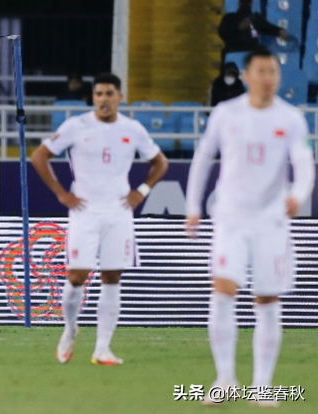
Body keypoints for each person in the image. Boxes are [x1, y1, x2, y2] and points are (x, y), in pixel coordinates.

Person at [185, 47, 314, 407]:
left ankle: (262, 385)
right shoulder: (226, 114)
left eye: (273, 71)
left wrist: (299, 194)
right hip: (231, 217)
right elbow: (203, 157)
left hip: (272, 221)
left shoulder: (290, 118)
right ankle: (224, 378)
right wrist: (194, 206)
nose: (268, 77)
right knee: (223, 290)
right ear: (246, 76)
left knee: (266, 299)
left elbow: (304, 161)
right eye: (261, 71)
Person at [31, 73, 169, 365]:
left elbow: (160, 162)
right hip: (85, 211)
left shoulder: (133, 129)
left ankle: (102, 349)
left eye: (109, 94)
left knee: (112, 277)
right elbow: (39, 157)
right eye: (99, 94)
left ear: (120, 97)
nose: (104, 99)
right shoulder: (76, 126)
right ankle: (69, 330)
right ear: (93, 98)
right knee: (76, 275)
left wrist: (141, 191)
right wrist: (60, 192)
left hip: (118, 212)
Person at [218, 0, 287, 56]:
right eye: (243, 2)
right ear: (239, 3)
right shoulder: (230, 17)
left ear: (251, 3)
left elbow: (268, 27)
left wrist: (280, 30)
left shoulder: (255, 18)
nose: (246, 4)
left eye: (248, 2)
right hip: (234, 52)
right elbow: (222, 32)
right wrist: (238, 28)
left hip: (251, 54)